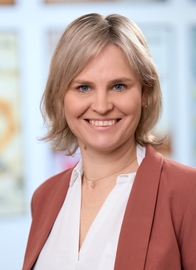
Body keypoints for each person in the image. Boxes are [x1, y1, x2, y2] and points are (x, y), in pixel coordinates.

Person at [22, 13, 196, 270]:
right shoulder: (44, 198)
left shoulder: (187, 192)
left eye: (118, 86)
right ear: (60, 97)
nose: (102, 107)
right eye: (83, 87)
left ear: (144, 93)